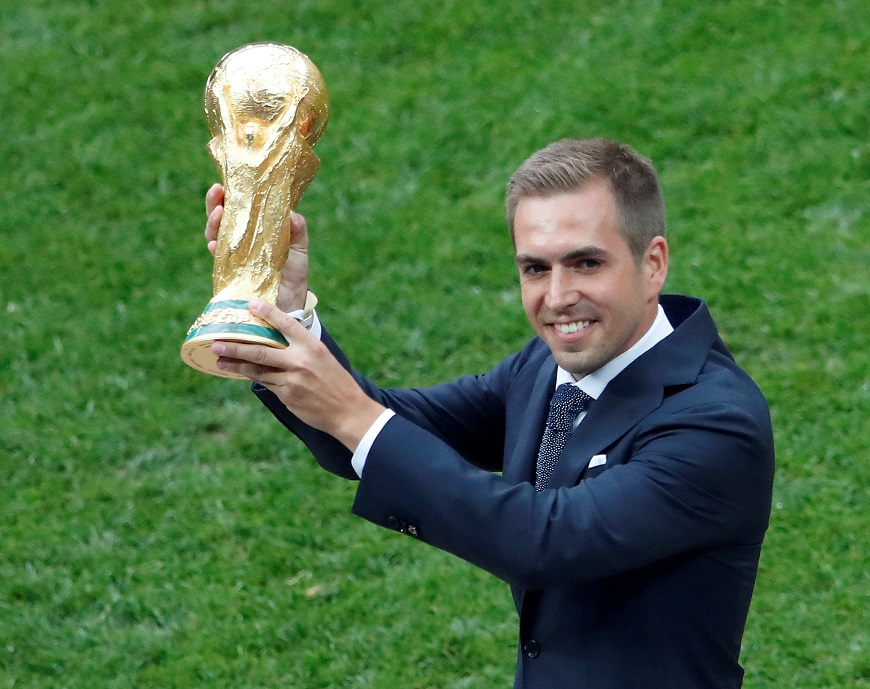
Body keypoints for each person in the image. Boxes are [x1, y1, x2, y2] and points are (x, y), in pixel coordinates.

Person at [206, 138, 775, 688]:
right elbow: (381, 432)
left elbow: (545, 542)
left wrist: (352, 414)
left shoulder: (716, 423)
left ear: (653, 264)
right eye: (535, 269)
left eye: (585, 263)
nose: (558, 297)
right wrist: (284, 315)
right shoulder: (544, 368)